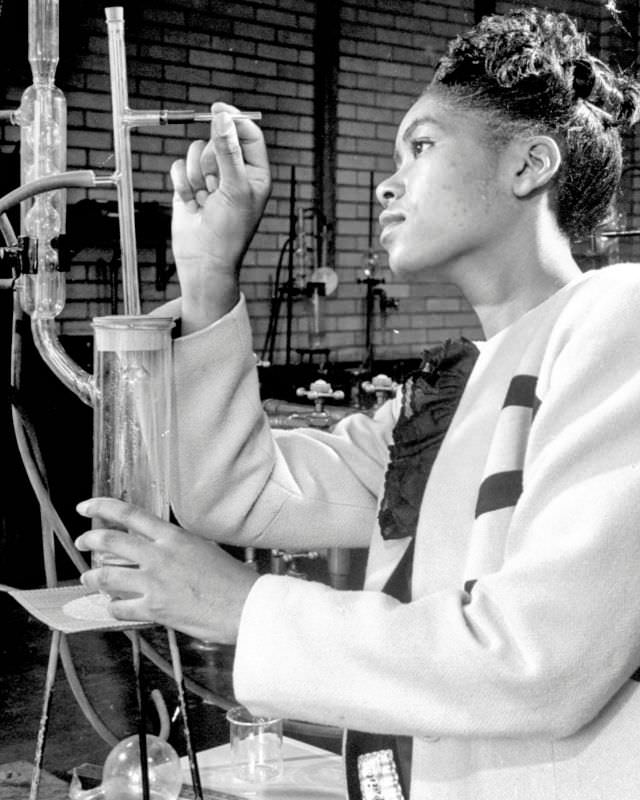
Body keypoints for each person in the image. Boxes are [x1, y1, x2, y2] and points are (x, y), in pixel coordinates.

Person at [75, 7, 640, 799]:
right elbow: (244, 496)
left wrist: (242, 605)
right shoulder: (446, 398)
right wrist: (208, 275)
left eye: (422, 145)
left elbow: (543, 657)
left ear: (529, 165)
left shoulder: (620, 319)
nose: (388, 180)